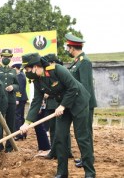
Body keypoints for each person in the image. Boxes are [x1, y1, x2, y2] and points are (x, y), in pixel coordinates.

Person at [20, 53, 95, 178]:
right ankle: (62, 172)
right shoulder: (38, 81)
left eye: (27, 69)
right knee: (60, 137)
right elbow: (36, 102)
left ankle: (89, 173)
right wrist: (27, 122)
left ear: (35, 67)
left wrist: (63, 105)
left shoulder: (57, 69)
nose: (27, 73)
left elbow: (73, 87)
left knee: (82, 137)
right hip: (62, 106)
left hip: (78, 102)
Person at [65, 33, 97, 168]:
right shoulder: (77, 61)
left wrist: (83, 105)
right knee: (82, 132)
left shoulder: (84, 62)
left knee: (85, 133)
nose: (67, 50)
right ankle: (86, 157)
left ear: (72, 48)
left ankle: (88, 159)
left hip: (85, 104)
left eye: (68, 47)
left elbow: (85, 86)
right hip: (79, 104)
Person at [42, 53, 72, 160]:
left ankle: (61, 151)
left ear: (52, 63)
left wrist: (48, 94)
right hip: (52, 104)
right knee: (55, 129)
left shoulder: (58, 72)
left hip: (58, 104)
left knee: (60, 129)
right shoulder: (48, 73)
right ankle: (58, 150)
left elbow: (61, 88)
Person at [0, 49, 19, 152]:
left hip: (11, 100)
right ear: (1, 57)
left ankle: (9, 147)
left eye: (8, 57)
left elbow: (17, 84)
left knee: (10, 123)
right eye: (4, 56)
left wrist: (13, 87)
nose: (6, 58)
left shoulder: (13, 71)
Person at [11, 63, 28, 140]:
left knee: (17, 116)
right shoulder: (21, 74)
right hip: (22, 98)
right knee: (20, 116)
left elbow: (19, 88)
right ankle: (23, 133)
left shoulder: (20, 76)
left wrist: (17, 99)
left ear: (16, 68)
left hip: (20, 99)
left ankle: (19, 134)